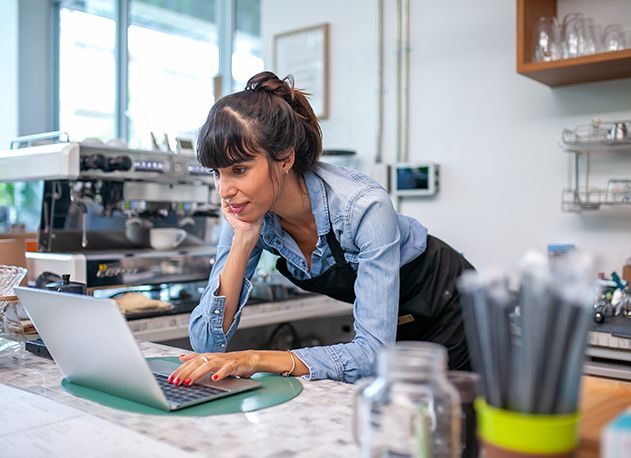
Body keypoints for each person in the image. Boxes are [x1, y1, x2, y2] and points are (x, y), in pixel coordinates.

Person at [167, 71, 474, 387]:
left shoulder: (363, 207)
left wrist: (253, 359)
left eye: (240, 170)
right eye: (217, 173)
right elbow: (205, 343)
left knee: (448, 420)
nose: (225, 190)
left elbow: (371, 356)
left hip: (451, 308)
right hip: (391, 328)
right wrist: (243, 241)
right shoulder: (247, 209)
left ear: (285, 158)